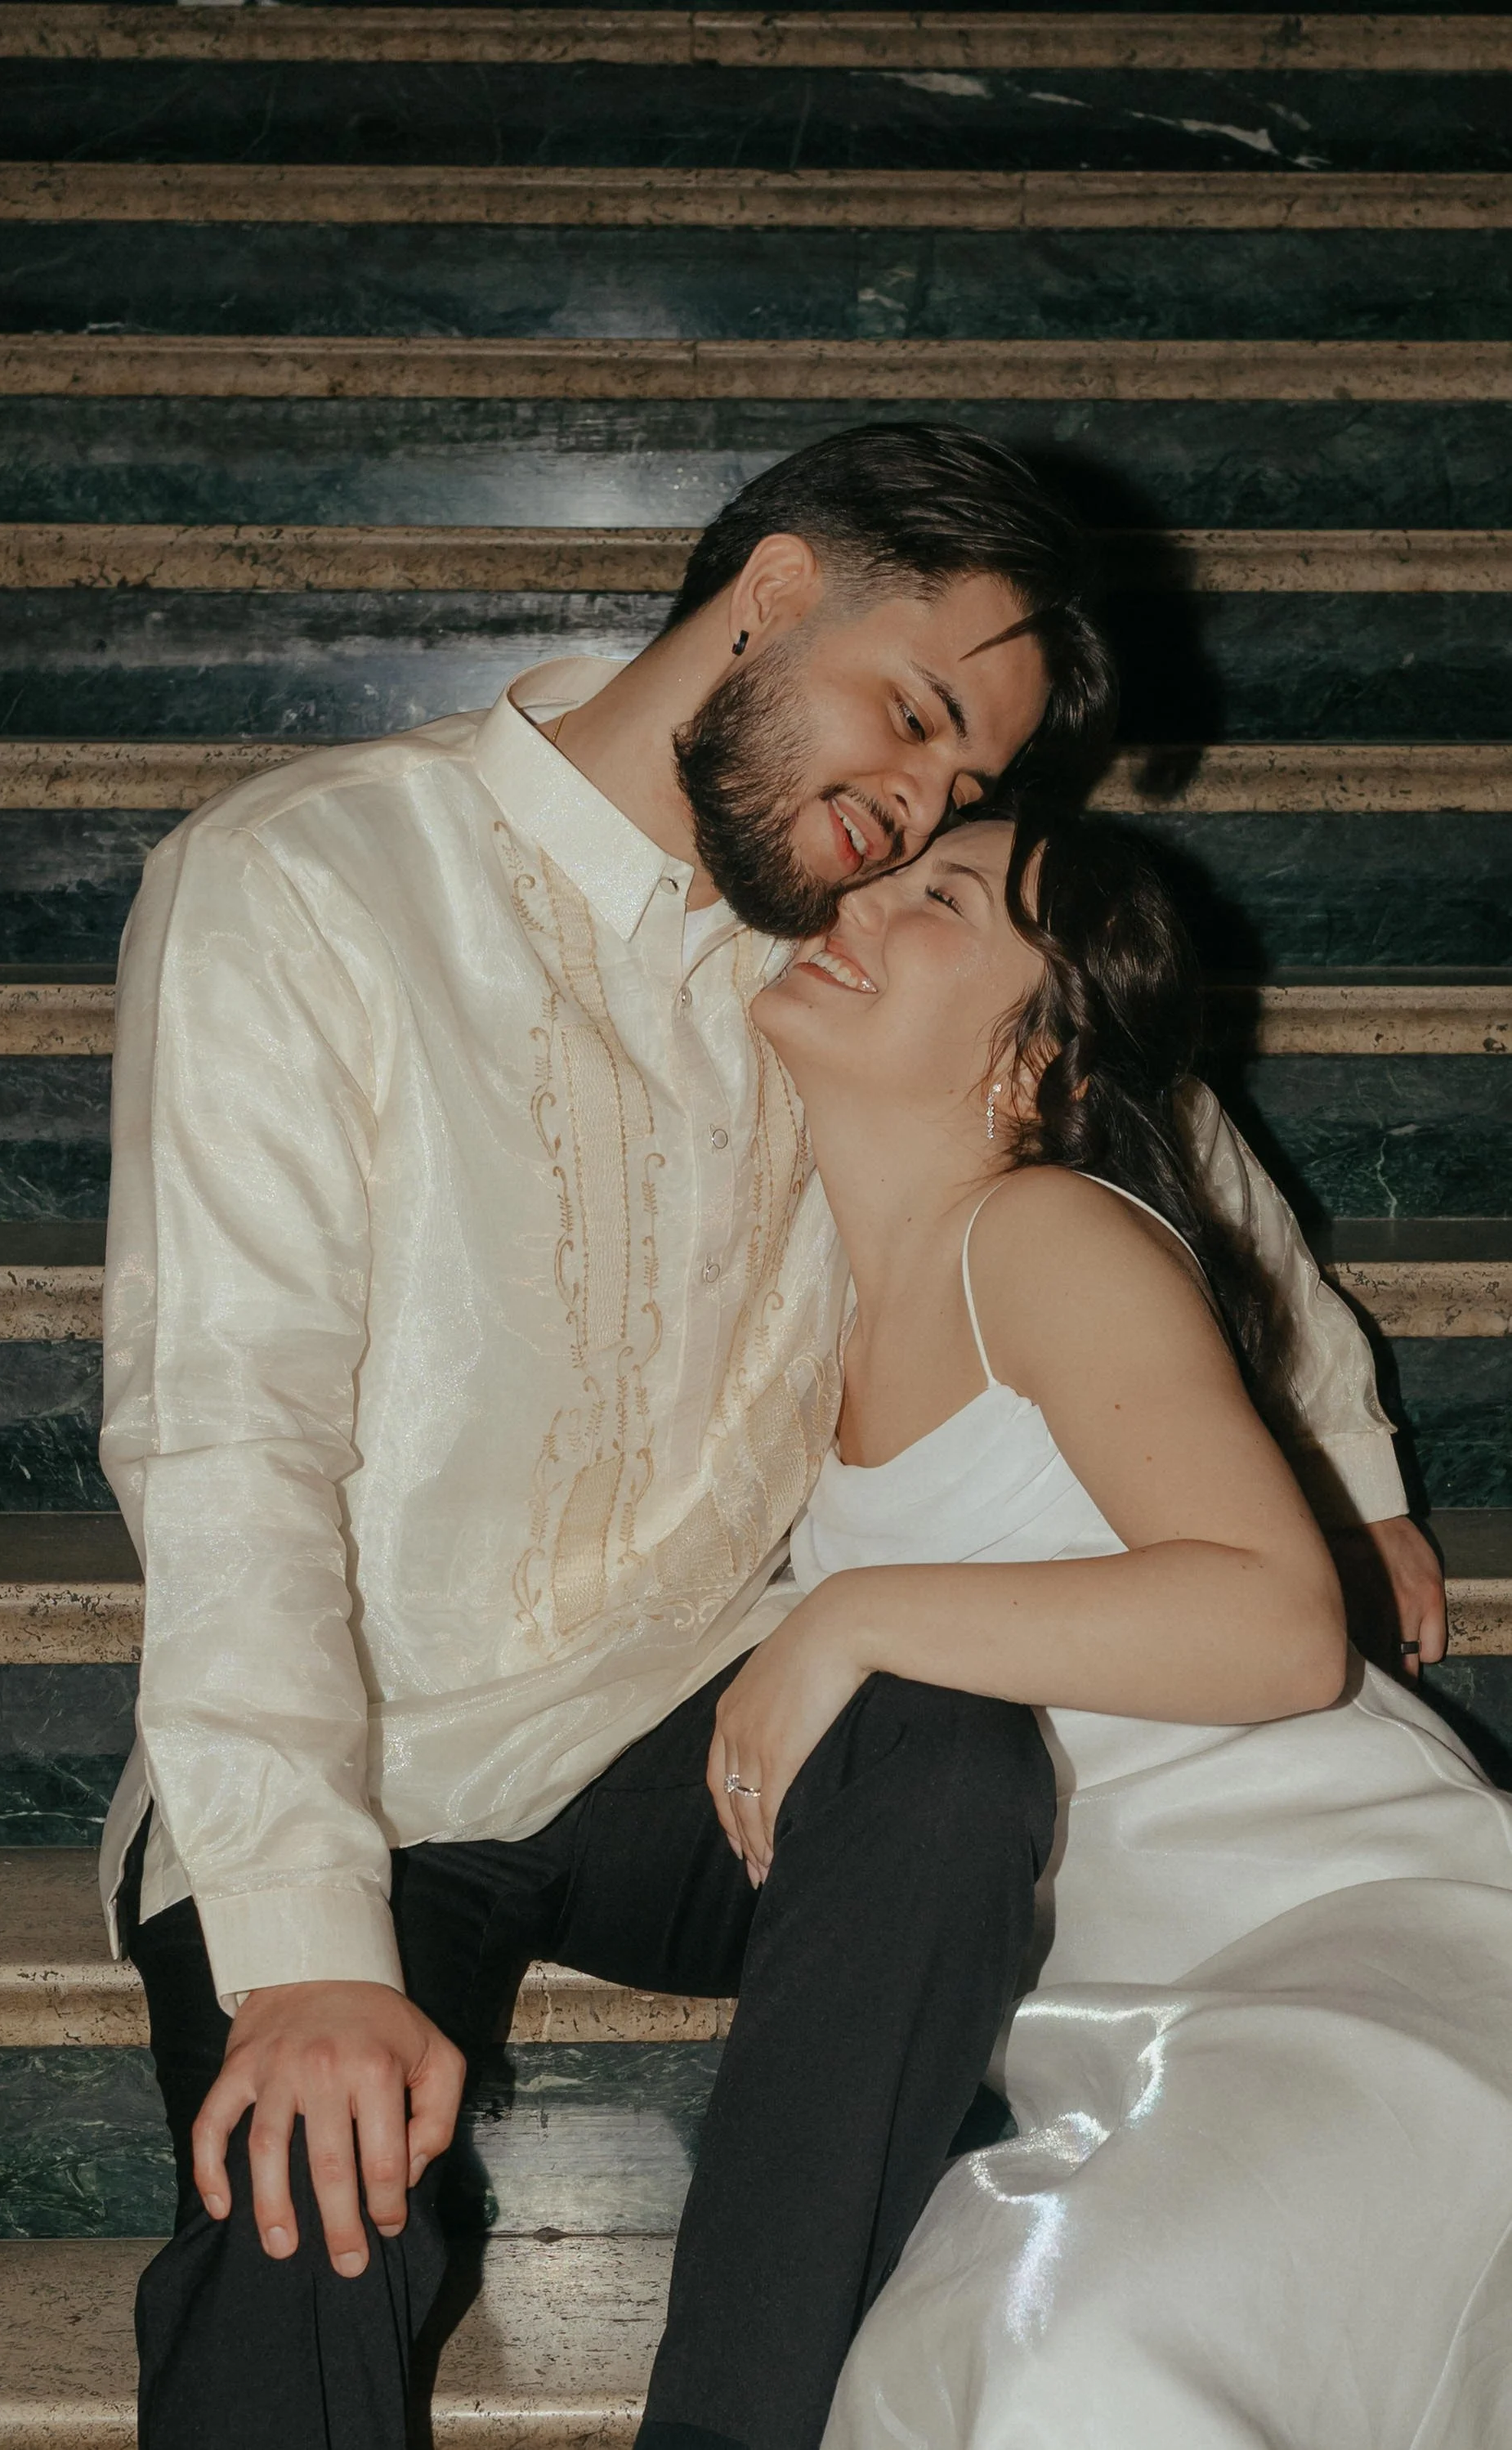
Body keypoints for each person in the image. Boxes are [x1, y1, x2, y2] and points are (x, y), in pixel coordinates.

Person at [95, 426, 1441, 2450]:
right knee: (308, 2188)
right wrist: (302, 1950)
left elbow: (1171, 1155)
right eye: (909, 715)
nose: (909, 807)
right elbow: (228, 1440)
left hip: (683, 1725)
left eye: (957, 788)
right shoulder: (303, 881)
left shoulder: (841, 919)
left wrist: (1350, 1467)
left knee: (946, 1740)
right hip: (365, 1743)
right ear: (778, 589)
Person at [728, 811, 1512, 2449]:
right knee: (978, 2356)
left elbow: (1283, 1624)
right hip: (1139, 2020)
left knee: (1089, 2353)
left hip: (1354, 1933)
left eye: (937, 896)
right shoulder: (818, 1312)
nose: (859, 902)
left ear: (1034, 1067)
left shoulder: (1037, 1231)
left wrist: (854, 1619)